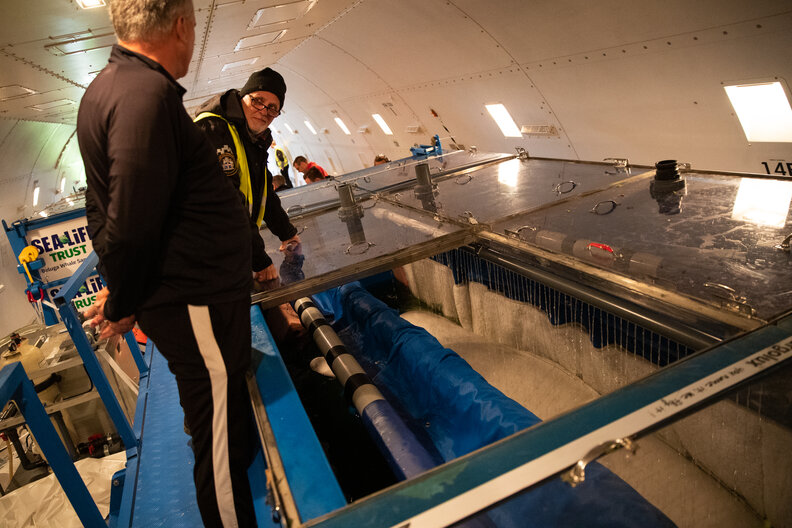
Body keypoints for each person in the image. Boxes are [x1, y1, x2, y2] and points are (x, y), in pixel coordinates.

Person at [77, 1, 257, 526]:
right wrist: (126, 300)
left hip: (186, 297)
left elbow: (101, 209)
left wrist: (120, 287)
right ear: (180, 24)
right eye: (195, 27)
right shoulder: (146, 97)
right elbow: (130, 223)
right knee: (216, 436)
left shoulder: (106, 90)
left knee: (220, 416)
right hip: (195, 300)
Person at [193, 68, 299, 282]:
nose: (263, 111)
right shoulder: (212, 129)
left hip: (225, 249)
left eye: (272, 108)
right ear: (243, 96)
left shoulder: (251, 138)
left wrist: (287, 232)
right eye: (258, 100)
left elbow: (263, 194)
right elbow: (225, 205)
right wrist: (259, 259)